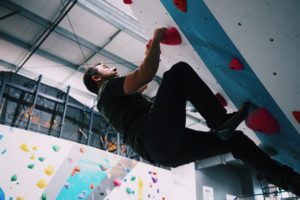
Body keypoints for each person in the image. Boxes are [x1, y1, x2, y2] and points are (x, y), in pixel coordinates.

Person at [83, 28, 300, 195]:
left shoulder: (107, 103)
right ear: (96, 78)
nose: (113, 68)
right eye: (105, 67)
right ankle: (219, 120)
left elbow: (140, 85)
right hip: (154, 138)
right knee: (177, 73)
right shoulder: (108, 87)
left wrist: (150, 53)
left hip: (163, 154)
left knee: (235, 141)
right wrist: (157, 38)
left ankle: (291, 182)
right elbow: (145, 74)